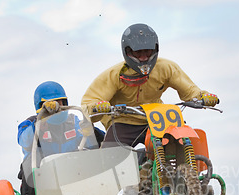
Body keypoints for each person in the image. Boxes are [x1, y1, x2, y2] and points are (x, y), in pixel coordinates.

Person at [81, 23, 219, 148]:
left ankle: (188, 171)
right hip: (124, 122)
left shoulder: (167, 67)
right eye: (138, 52)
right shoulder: (113, 75)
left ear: (155, 49)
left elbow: (191, 92)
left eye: (147, 51)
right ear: (127, 51)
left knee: (185, 142)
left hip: (157, 118)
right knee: (108, 158)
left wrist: (204, 96)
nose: (143, 57)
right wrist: (97, 106)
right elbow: (88, 103)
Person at [17, 81, 86, 195]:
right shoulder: (30, 124)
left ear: (65, 102)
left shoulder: (74, 122)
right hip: (40, 188)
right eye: (50, 103)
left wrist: (89, 127)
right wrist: (41, 123)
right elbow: (25, 141)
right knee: (31, 160)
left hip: (70, 181)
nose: (55, 106)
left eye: (59, 102)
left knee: (88, 153)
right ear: (40, 106)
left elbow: (94, 142)